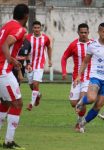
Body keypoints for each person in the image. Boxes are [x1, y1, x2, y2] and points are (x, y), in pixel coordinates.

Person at [0, 3, 29, 149]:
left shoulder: (7, 25)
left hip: (3, 69)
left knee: (5, 103)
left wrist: (12, 61)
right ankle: (9, 141)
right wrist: (10, 59)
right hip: (3, 71)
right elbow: (5, 44)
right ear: (26, 16)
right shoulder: (19, 29)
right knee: (17, 103)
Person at [61, 23, 92, 131]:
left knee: (82, 101)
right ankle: (79, 121)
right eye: (81, 32)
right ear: (78, 33)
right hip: (76, 78)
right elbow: (64, 57)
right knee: (74, 103)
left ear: (88, 32)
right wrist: (64, 72)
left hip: (88, 78)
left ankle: (80, 125)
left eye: (85, 32)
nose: (84, 34)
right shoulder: (73, 45)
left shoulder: (93, 44)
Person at [26, 20, 52, 111]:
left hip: (40, 64)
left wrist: (49, 60)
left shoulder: (45, 38)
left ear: (41, 28)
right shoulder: (28, 38)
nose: (37, 29)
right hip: (29, 64)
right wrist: (27, 62)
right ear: (32, 28)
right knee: (31, 85)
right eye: (35, 28)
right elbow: (25, 50)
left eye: (38, 27)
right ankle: (38, 95)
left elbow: (49, 47)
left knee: (36, 83)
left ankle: (31, 104)